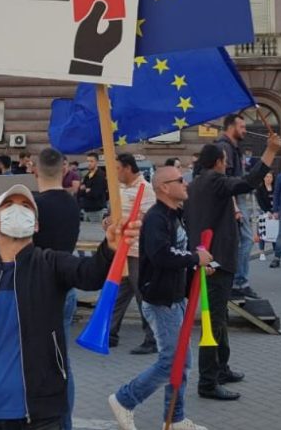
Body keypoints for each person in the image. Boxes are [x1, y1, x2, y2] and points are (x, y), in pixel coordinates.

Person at [0, 183, 139, 430]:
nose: (18, 209)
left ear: (36, 225)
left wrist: (109, 248)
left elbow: (89, 274)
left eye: (26, 206)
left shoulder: (50, 264)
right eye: (9, 205)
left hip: (42, 414)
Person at [109, 166, 211, 430]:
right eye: (180, 180)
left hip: (175, 297)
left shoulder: (176, 215)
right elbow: (161, 254)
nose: (186, 184)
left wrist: (199, 262)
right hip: (161, 300)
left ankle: (175, 418)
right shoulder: (156, 218)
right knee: (171, 362)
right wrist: (194, 258)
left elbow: (180, 251)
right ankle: (124, 399)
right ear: (165, 187)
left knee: (182, 362)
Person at [186, 134, 279, 402]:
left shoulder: (195, 184)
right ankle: (207, 382)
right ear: (218, 162)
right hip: (216, 261)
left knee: (219, 317)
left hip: (208, 258)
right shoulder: (215, 181)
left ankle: (221, 367)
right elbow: (248, 182)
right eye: (225, 160)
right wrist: (270, 151)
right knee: (213, 322)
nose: (227, 164)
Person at [33, 147, 82, 430]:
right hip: (67, 288)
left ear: (34, 170)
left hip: (38, 291)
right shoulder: (72, 204)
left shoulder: (34, 205)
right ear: (64, 170)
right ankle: (64, 422)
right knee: (62, 361)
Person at [108, 154, 157, 354]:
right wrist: (108, 221)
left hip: (137, 251)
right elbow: (113, 214)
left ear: (128, 168)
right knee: (119, 293)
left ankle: (153, 338)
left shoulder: (146, 189)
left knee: (141, 295)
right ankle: (110, 332)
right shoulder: (119, 188)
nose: (115, 173)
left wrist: (130, 221)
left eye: (118, 168)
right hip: (121, 249)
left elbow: (151, 220)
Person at [217, 114, 257, 298]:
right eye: (242, 127)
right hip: (234, 199)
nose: (245, 131)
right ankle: (239, 282)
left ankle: (237, 281)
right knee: (245, 240)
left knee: (241, 241)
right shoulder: (225, 147)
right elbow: (226, 180)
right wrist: (235, 207)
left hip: (237, 197)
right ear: (231, 127)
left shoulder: (232, 147)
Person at [76, 152, 107, 220]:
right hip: (86, 209)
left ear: (97, 162)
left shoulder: (100, 175)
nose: (89, 163)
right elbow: (79, 191)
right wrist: (86, 190)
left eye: (91, 161)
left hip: (96, 209)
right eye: (88, 161)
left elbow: (95, 194)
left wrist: (85, 190)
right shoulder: (88, 175)